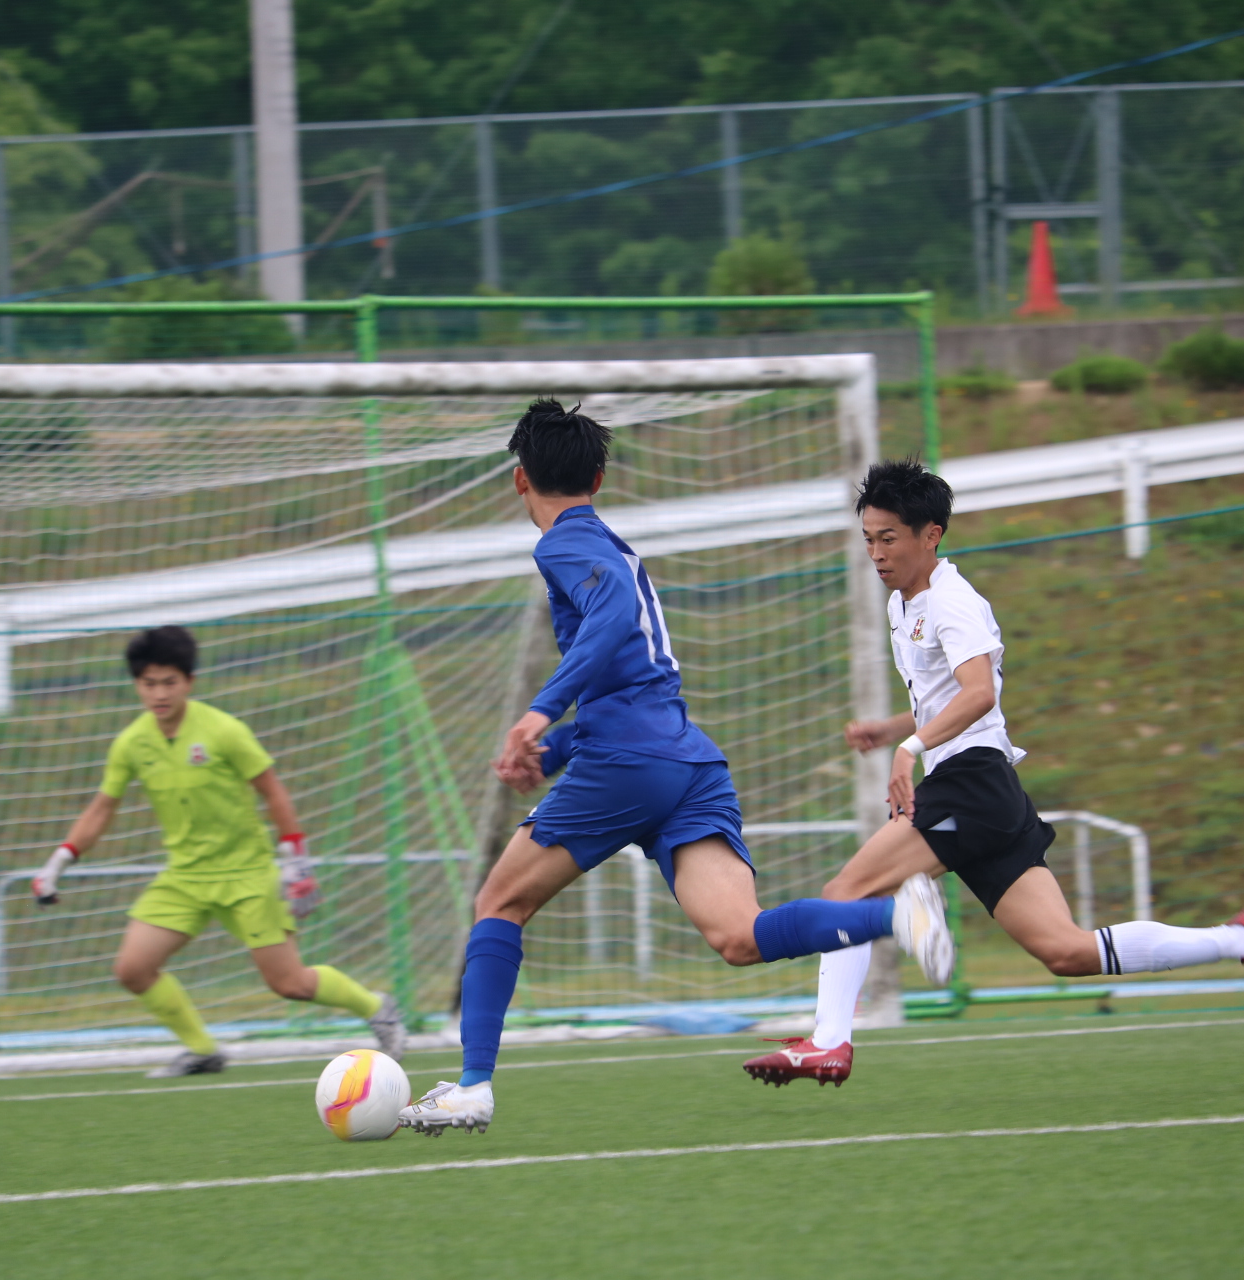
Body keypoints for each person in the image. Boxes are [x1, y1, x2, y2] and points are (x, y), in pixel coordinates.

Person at [398, 401, 944, 1135]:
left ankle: (472, 1086)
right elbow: (630, 681)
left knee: (498, 903)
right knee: (739, 937)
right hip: (686, 762)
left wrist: (538, 714)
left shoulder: (563, 545)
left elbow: (610, 621)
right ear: (598, 478)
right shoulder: (613, 544)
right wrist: (552, 750)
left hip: (628, 764)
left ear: (520, 479)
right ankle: (898, 915)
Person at [743, 460, 1244, 1088]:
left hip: (970, 783)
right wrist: (893, 729)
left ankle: (829, 1043)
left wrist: (908, 749)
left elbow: (979, 694)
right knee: (1066, 952)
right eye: (869, 539)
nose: (877, 554)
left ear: (931, 535)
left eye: (889, 539)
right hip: (990, 792)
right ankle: (1242, 939)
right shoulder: (903, 603)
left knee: (846, 892)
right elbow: (949, 696)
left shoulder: (954, 601)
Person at [33, 624, 405, 1078]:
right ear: (137, 685)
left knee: (289, 983)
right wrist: (58, 862)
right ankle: (202, 1050)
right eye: (149, 684)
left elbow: (272, 790)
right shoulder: (132, 743)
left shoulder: (224, 730)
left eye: (169, 682)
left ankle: (377, 1008)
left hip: (248, 875)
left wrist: (296, 860)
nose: (159, 694)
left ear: (189, 681)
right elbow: (102, 808)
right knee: (133, 969)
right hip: (185, 878)